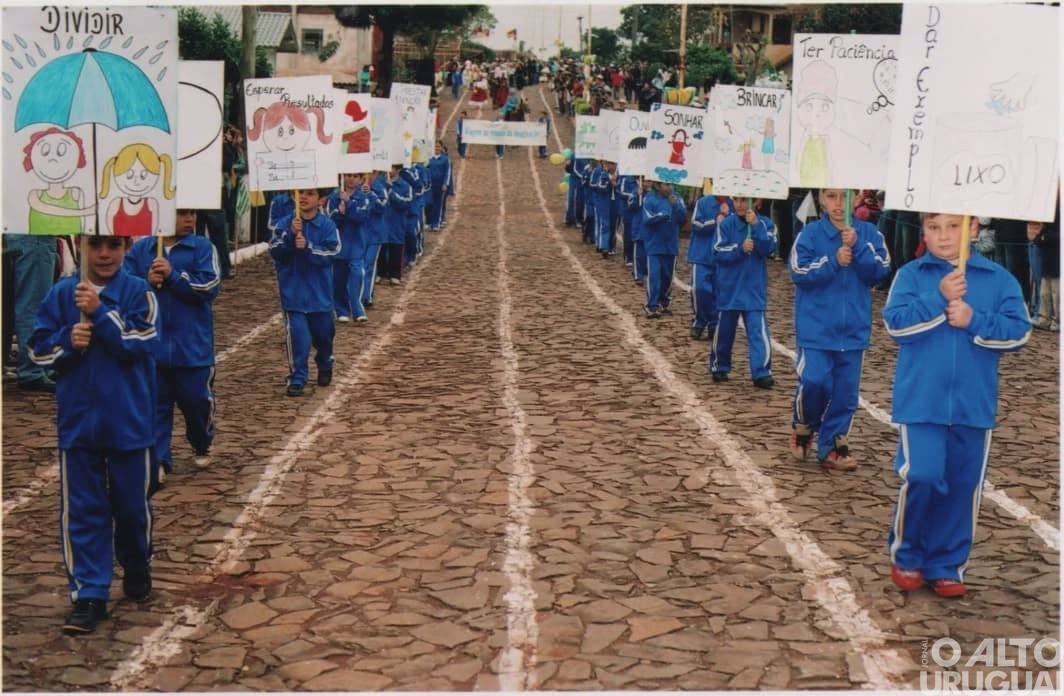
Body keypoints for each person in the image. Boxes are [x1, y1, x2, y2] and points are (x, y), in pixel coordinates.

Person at [883, 212, 1030, 598]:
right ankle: (908, 553)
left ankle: (946, 563)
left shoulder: (999, 280)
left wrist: (974, 320)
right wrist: (938, 298)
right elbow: (896, 325)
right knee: (924, 475)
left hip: (974, 404)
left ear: (974, 229)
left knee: (964, 485)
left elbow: (1019, 331)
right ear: (924, 232)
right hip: (921, 401)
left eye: (954, 226)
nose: (944, 236)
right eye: (934, 227)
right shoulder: (912, 275)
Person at [29, 235, 159, 634]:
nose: (104, 255)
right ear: (82, 247)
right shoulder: (61, 293)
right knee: (82, 513)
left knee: (132, 510)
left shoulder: (140, 292)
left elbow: (142, 342)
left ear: (126, 248)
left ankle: (136, 563)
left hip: (129, 422)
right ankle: (90, 592)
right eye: (96, 245)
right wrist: (67, 343)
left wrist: (100, 314)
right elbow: (37, 350)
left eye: (114, 246)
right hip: (79, 424)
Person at [789, 188, 891, 469]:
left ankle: (833, 443)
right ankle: (804, 424)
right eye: (832, 196)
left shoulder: (869, 233)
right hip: (816, 328)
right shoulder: (809, 235)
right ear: (822, 198)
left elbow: (881, 269)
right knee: (814, 381)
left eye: (845, 197)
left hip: (853, 330)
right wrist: (833, 261)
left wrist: (858, 247)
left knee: (845, 393)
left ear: (856, 198)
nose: (838, 204)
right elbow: (798, 272)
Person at [125, 209, 221, 481]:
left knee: (196, 402)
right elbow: (124, 290)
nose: (189, 219)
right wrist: (145, 283)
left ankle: (201, 440)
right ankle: (159, 460)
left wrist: (173, 275)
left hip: (192, 347)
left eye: (192, 213)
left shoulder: (202, 247)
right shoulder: (142, 249)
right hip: (152, 348)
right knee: (155, 406)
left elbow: (210, 286)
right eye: (180, 213)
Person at [269, 188, 340, 396]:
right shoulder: (284, 224)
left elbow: (333, 251)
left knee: (324, 336)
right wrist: (290, 237)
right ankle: (297, 376)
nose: (304, 198)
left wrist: (308, 246)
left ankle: (325, 361)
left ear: (320, 199)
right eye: (300, 194)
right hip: (293, 291)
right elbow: (274, 251)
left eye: (310, 193)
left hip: (320, 293)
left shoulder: (327, 225)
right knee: (298, 337)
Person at [710, 198, 777, 387]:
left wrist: (755, 226)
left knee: (758, 331)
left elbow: (769, 247)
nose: (740, 204)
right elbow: (717, 251)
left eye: (744, 200)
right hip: (730, 286)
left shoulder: (765, 224)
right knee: (725, 331)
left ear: (756, 201)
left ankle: (761, 371)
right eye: (737, 199)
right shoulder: (726, 224)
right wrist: (739, 249)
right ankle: (719, 365)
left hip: (754, 287)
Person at [326, 174, 372, 323]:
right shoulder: (334, 196)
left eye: (355, 177)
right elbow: (331, 218)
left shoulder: (363, 196)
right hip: (339, 245)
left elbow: (362, 216)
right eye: (348, 176)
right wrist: (341, 213)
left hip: (357, 244)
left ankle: (358, 310)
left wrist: (349, 204)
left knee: (357, 275)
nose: (351, 179)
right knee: (338, 280)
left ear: (360, 179)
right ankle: (342, 311)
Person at [641, 180, 687, 318]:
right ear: (657, 185)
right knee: (654, 275)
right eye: (666, 184)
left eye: (670, 184)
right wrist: (664, 214)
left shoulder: (677, 197)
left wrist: (676, 206)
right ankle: (652, 305)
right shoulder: (649, 198)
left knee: (667, 277)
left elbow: (683, 217)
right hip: (654, 244)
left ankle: (663, 302)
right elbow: (647, 219)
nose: (670, 187)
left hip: (671, 245)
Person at [688, 193, 726, 341]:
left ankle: (714, 323)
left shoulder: (733, 203)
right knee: (699, 289)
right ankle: (699, 320)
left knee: (717, 292)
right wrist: (715, 221)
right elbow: (696, 225)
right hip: (701, 254)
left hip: (721, 257)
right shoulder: (703, 202)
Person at [1029, 215, 1060, 331]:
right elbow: (1037, 240)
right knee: (1044, 293)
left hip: (1057, 263)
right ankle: (1044, 319)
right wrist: (1043, 238)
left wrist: (1045, 238)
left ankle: (1057, 320)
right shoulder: (1047, 225)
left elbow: (1054, 237)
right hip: (1047, 263)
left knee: (1057, 294)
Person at [589, 160, 619, 258]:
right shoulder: (602, 173)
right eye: (608, 163)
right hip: (604, 201)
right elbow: (600, 187)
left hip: (616, 202)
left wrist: (616, 184)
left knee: (614, 225)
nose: (610, 165)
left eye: (612, 163)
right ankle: (603, 247)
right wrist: (610, 182)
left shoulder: (620, 173)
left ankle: (611, 246)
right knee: (605, 224)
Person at [428, 143, 452, 231]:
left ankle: (436, 223)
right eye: (435, 146)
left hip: (440, 185)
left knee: (438, 204)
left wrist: (445, 183)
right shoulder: (429, 158)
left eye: (438, 147)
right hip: (430, 185)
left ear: (441, 148)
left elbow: (447, 172)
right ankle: (430, 222)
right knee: (430, 204)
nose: (437, 148)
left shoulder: (445, 159)